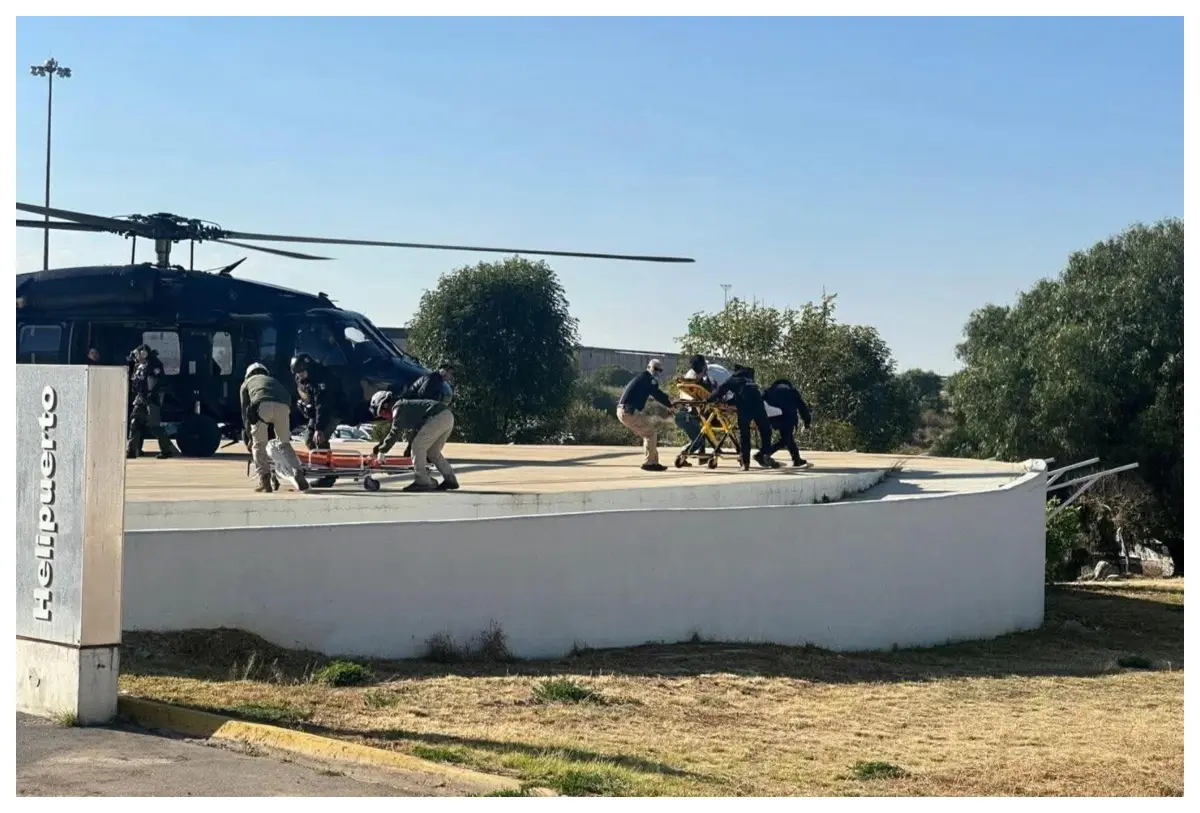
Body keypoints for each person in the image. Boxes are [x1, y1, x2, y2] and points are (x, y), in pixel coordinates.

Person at [369, 389, 459, 492]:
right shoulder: (404, 407)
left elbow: (395, 433)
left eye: (382, 413)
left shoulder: (398, 408)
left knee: (417, 447)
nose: (384, 416)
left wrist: (382, 451)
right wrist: (378, 450)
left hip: (438, 417)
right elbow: (415, 432)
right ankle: (450, 480)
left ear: (385, 405)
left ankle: (423, 482)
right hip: (446, 416)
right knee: (432, 452)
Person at [241, 362, 309, 493]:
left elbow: (245, 412)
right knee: (284, 444)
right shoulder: (272, 380)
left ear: (248, 374)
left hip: (262, 404)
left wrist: (249, 436)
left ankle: (264, 480)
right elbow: (288, 397)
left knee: (259, 445)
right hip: (283, 406)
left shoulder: (247, 383)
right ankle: (297, 471)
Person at [706, 364, 778, 471]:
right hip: (759, 407)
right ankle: (765, 454)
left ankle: (746, 464)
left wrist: (708, 400)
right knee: (766, 431)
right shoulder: (750, 380)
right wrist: (729, 402)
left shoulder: (733, 379)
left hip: (745, 409)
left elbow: (719, 391)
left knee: (745, 436)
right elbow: (742, 394)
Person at [616, 359, 675, 472]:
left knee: (649, 433)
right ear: (648, 367)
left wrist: (669, 402)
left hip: (623, 411)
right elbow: (657, 394)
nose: (657, 372)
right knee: (651, 433)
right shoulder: (648, 379)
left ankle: (654, 462)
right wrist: (671, 404)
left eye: (660, 370)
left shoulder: (642, 378)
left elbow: (656, 393)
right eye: (655, 369)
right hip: (628, 412)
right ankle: (650, 463)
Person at [126, 344, 179, 460]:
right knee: (134, 423)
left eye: (138, 354)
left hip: (152, 399)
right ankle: (131, 450)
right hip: (140, 397)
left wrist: (152, 393)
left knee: (154, 425)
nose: (137, 357)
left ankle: (166, 450)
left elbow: (159, 381)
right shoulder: (138, 366)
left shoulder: (154, 364)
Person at [399, 361, 455, 458]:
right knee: (420, 429)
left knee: (422, 430)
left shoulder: (437, 380)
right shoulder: (433, 379)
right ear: (443, 371)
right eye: (449, 373)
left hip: (419, 406)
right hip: (416, 406)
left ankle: (411, 453)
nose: (450, 376)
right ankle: (410, 453)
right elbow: (422, 395)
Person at [290, 353, 344, 451]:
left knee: (319, 439)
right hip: (317, 412)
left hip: (333, 410)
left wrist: (319, 429)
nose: (299, 375)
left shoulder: (322, 380)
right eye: (297, 373)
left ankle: (324, 457)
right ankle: (316, 456)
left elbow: (323, 405)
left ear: (309, 368)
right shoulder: (301, 379)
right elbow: (304, 395)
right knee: (308, 440)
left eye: (302, 372)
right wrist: (305, 405)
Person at [674, 354, 717, 466]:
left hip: (687, 415)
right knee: (700, 439)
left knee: (704, 430)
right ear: (703, 367)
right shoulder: (693, 380)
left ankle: (701, 457)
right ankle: (683, 455)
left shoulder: (693, 377)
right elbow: (698, 395)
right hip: (687, 415)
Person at [763, 378, 813, 468]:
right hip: (788, 417)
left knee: (788, 438)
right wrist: (807, 422)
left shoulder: (769, 390)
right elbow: (802, 408)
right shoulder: (792, 391)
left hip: (773, 417)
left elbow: (760, 402)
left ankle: (796, 459)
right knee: (785, 439)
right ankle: (764, 454)